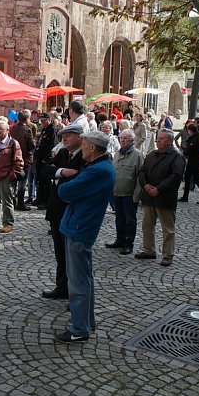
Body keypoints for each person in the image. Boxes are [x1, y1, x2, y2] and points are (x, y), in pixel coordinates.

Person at [54, 130, 117, 344]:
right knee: (84, 278)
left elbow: (65, 192)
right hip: (80, 225)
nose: (81, 148)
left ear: (92, 147)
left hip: (80, 227)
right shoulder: (98, 167)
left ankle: (80, 328)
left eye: (84, 144)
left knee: (78, 281)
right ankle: (87, 321)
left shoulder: (98, 170)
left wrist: (63, 184)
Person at [41, 123, 87, 299]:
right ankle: (62, 287)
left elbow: (79, 176)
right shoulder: (62, 153)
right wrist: (61, 171)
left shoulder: (84, 156)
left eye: (68, 135)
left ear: (80, 137)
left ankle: (74, 291)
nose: (64, 139)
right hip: (56, 209)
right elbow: (45, 169)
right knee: (59, 252)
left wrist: (58, 174)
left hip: (71, 209)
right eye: (62, 136)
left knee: (71, 254)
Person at [135, 129, 185, 266]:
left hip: (165, 198)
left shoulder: (176, 156)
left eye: (161, 139)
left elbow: (175, 176)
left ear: (170, 140)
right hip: (149, 196)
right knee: (147, 226)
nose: (158, 141)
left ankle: (168, 254)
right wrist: (145, 186)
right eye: (158, 138)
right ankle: (148, 249)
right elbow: (142, 171)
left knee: (167, 229)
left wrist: (159, 189)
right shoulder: (152, 154)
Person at [107, 129, 144, 254]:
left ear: (132, 141)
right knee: (119, 218)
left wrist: (137, 194)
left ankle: (129, 243)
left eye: (125, 139)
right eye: (121, 138)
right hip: (117, 192)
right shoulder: (117, 154)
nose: (122, 141)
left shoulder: (137, 155)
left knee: (130, 220)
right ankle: (120, 239)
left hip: (129, 194)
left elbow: (141, 177)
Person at [0, 119, 24, 234]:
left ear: (7, 130)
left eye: (0, 129)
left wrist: (11, 176)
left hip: (6, 178)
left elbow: (18, 162)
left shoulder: (13, 143)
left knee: (7, 202)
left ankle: (8, 223)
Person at [9, 110, 36, 210]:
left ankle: (12, 202)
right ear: (27, 119)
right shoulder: (27, 130)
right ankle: (20, 203)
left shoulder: (13, 129)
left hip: (13, 158)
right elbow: (31, 145)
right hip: (24, 158)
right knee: (22, 182)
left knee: (14, 181)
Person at [34, 112, 59, 209]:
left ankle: (46, 201)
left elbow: (52, 145)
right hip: (40, 158)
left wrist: (46, 158)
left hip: (46, 160)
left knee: (46, 181)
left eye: (44, 121)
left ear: (49, 120)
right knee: (39, 180)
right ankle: (39, 198)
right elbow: (39, 144)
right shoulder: (44, 129)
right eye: (41, 121)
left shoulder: (52, 130)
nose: (42, 123)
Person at [179, 123, 199, 204]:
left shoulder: (196, 139)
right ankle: (185, 196)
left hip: (196, 162)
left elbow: (190, 149)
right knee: (187, 178)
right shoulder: (193, 137)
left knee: (196, 179)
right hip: (192, 161)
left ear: (191, 130)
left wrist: (184, 152)